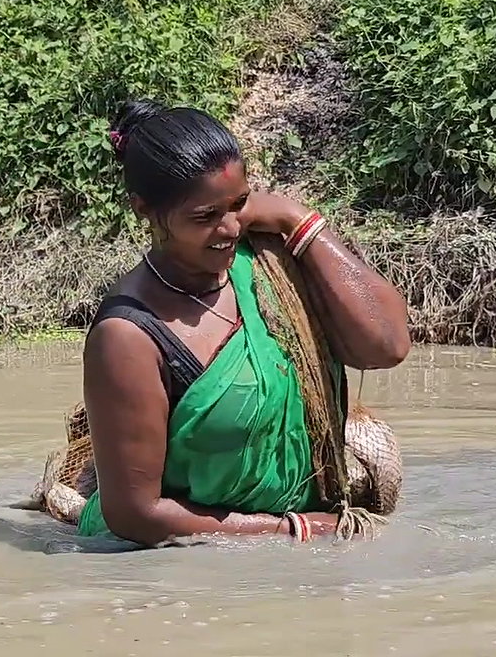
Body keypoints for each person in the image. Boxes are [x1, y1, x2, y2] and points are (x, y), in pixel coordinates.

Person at [77, 99, 411, 546]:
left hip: (300, 543)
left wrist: (300, 220)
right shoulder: (129, 335)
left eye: (239, 203)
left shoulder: (269, 268)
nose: (231, 227)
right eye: (205, 216)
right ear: (144, 210)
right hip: (179, 567)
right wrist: (294, 529)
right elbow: (136, 514)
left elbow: (386, 345)